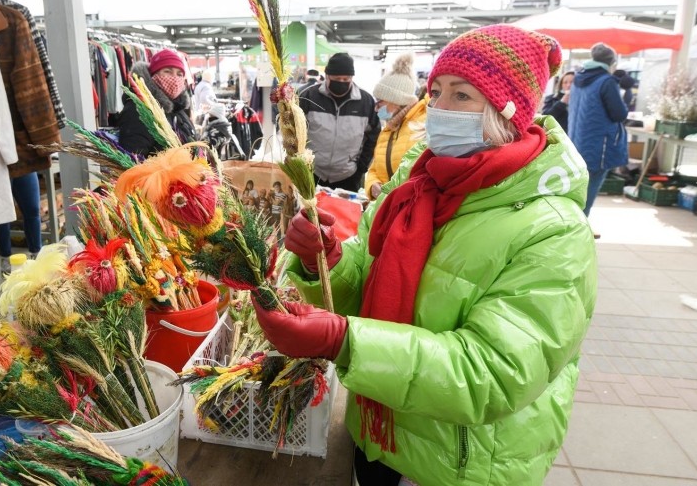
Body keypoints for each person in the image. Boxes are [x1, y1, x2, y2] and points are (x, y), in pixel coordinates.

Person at [254, 25, 597, 486]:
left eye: (461, 96)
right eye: (435, 92)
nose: (438, 109)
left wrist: (343, 341)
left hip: (457, 463)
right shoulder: (418, 183)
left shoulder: (553, 229)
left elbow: (493, 373)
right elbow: (370, 274)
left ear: (508, 111)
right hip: (378, 433)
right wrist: (329, 260)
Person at [298, 53, 380, 192]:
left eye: (346, 79)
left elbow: (373, 136)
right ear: (327, 76)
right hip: (311, 173)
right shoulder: (309, 97)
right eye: (336, 79)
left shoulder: (365, 102)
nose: (341, 82)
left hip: (348, 176)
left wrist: (361, 167)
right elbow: (294, 132)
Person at [567, 42, 629, 216]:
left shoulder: (579, 79)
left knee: (577, 190)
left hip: (577, 142)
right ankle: (579, 228)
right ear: (611, 62)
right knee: (589, 190)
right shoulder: (606, 81)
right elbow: (619, 113)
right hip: (598, 146)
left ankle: (572, 224)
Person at [365, 53, 429, 200]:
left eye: (380, 102)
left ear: (396, 100)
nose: (376, 108)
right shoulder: (388, 129)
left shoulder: (422, 127)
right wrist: (372, 185)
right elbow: (374, 168)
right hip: (385, 206)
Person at [117, 49, 196, 156]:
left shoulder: (178, 108)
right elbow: (133, 158)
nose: (174, 78)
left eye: (179, 74)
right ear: (153, 75)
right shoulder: (139, 109)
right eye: (167, 71)